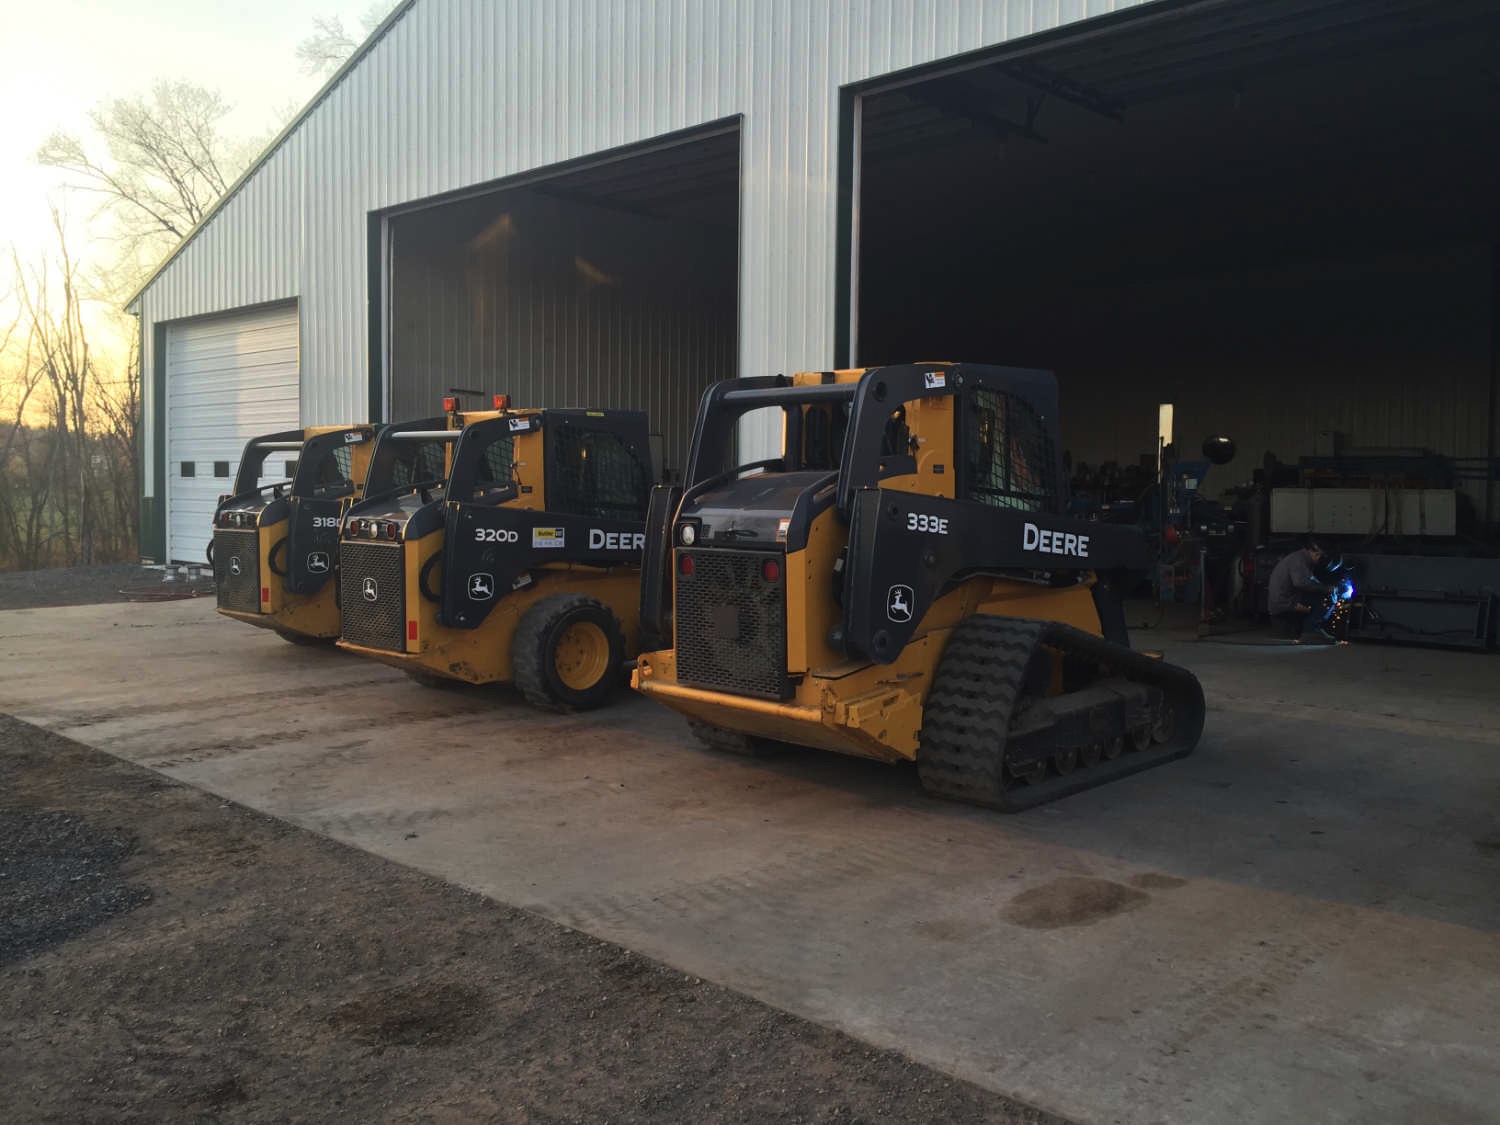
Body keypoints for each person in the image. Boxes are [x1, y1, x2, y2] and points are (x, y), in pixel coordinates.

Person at [1267, 540, 1332, 641]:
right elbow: (1301, 583)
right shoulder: (1299, 560)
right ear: (1311, 551)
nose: (1319, 558)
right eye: (1318, 554)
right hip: (1284, 605)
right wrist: (1326, 589)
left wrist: (1323, 586)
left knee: (1318, 594)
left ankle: (1309, 628)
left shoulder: (1302, 558)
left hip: (1284, 602)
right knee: (1325, 600)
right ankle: (1311, 630)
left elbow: (1310, 579)